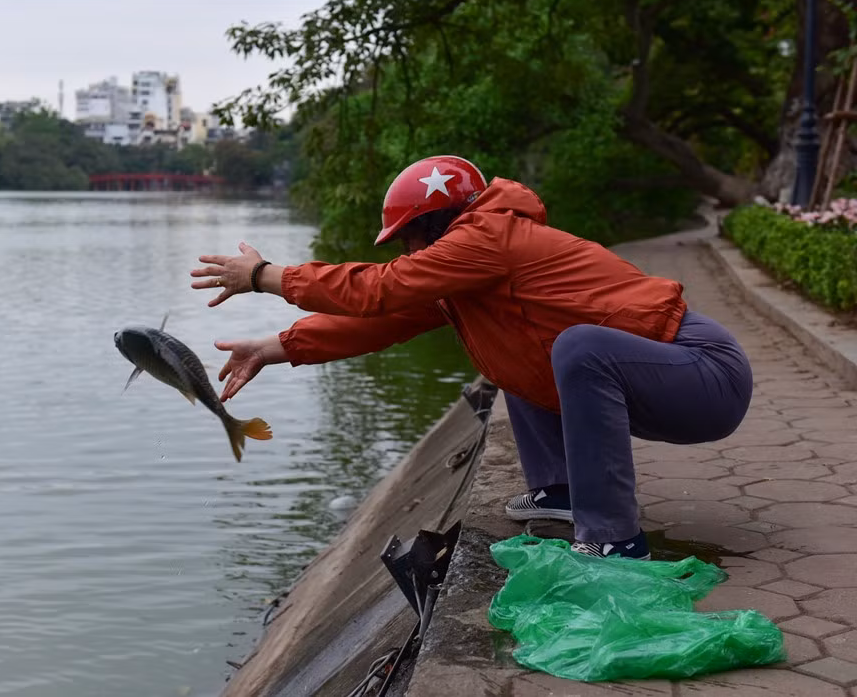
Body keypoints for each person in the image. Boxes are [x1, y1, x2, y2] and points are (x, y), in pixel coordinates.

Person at [189, 155, 753, 560]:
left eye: (410, 238)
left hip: (704, 373)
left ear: (439, 221)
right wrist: (275, 347)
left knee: (576, 346)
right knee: (511, 350)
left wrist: (264, 276)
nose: (409, 251)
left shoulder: (485, 239)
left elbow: (376, 289)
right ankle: (560, 492)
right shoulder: (469, 271)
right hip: (669, 376)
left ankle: (614, 538)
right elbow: (387, 319)